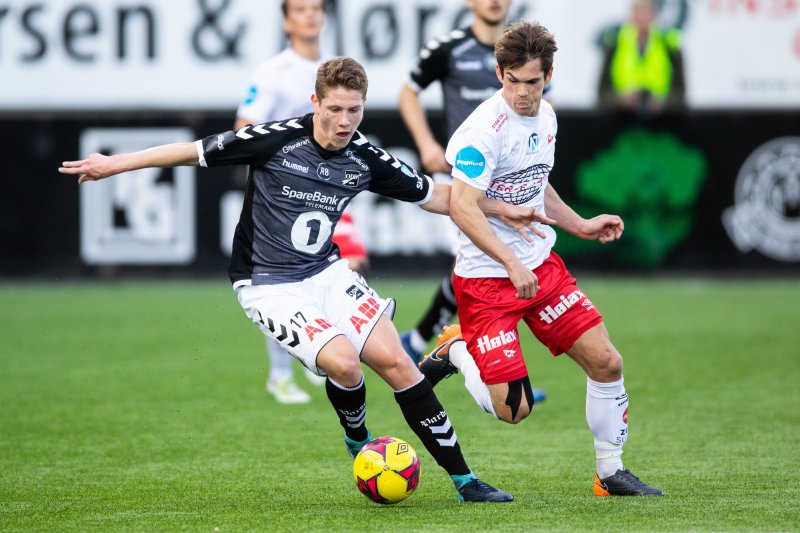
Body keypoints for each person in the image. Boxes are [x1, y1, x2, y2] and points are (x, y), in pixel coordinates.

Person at [60, 56, 556, 503]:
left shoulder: (364, 156)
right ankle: (359, 438)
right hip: (267, 284)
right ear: (314, 101)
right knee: (345, 365)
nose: (344, 122)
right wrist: (115, 164)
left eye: (355, 111)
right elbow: (191, 151)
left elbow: (444, 197)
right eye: (335, 109)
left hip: (327, 272)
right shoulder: (273, 139)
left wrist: (501, 207)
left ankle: (466, 482)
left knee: (399, 366)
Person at [418, 22, 664, 497]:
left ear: (548, 75)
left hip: (541, 269)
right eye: (513, 80)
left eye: (533, 81)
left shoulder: (546, 117)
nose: (523, 93)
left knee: (607, 362)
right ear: (499, 73)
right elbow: (462, 206)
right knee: (515, 411)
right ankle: (457, 348)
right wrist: (511, 262)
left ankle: (610, 473)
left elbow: (538, 185)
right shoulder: (480, 133)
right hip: (488, 281)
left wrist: (579, 225)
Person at [396, 1, 543, 401]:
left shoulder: (525, 54)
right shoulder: (448, 48)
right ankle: (453, 346)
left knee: (498, 264)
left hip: (512, 183)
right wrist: (426, 143)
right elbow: (407, 93)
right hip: (468, 182)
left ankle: (434, 340)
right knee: (479, 263)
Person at [234, 0, 368, 404]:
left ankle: (320, 351)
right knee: (283, 278)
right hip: (286, 194)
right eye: (300, 9)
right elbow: (243, 127)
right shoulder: (273, 72)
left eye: (316, 8)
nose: (310, 15)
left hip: (330, 190)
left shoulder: (335, 69)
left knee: (350, 263)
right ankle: (280, 374)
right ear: (286, 20)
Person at [597, 0, 685, 120]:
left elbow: (680, 93)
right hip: (621, 120)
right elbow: (603, 92)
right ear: (631, 15)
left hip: (662, 122)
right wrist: (620, 100)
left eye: (647, 12)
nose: (642, 18)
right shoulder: (615, 43)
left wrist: (663, 103)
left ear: (654, 15)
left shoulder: (669, 44)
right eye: (639, 12)